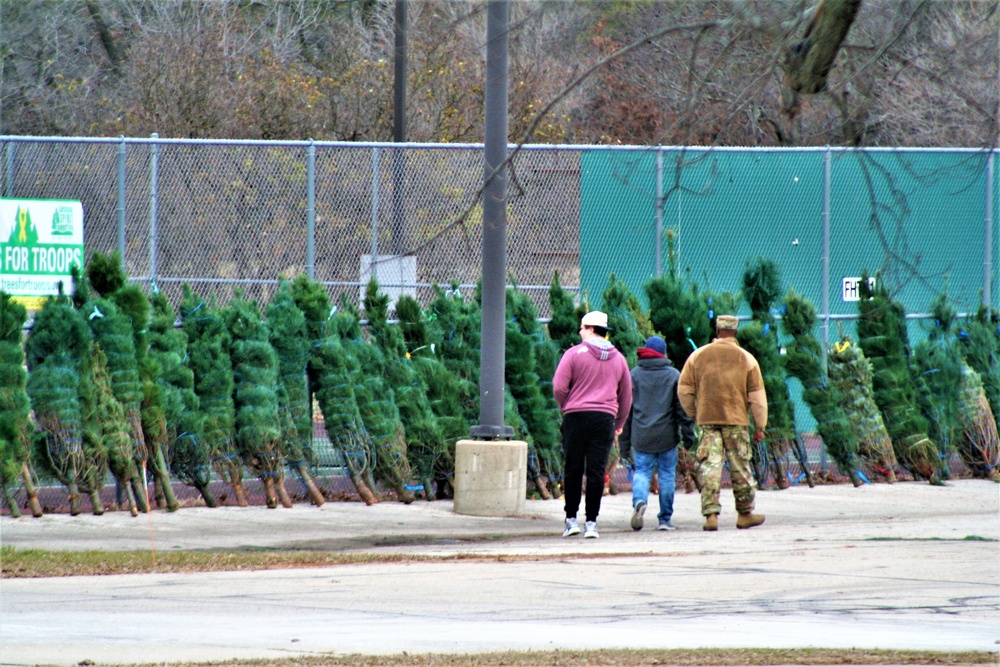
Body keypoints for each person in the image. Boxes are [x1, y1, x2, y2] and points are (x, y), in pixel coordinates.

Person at [678, 315, 767, 531]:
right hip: (736, 420)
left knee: (710, 466)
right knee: (740, 467)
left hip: (707, 420)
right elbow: (757, 396)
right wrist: (760, 426)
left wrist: (695, 412)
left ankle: (711, 516)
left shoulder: (697, 356)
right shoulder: (746, 359)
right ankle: (744, 514)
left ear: (717, 330)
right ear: (735, 332)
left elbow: (684, 390)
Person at [552, 310, 632, 539]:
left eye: (582, 328)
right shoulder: (619, 359)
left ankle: (570, 520)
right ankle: (591, 523)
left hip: (576, 417)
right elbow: (626, 395)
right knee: (596, 471)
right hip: (604, 418)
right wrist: (619, 421)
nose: (579, 331)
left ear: (589, 329)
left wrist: (566, 405)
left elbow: (558, 386)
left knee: (573, 468)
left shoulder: (573, 354)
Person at [619, 335, 695, 531]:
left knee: (642, 472)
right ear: (663, 353)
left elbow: (626, 413)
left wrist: (624, 446)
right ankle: (664, 519)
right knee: (667, 475)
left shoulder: (633, 375)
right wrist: (688, 437)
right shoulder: (673, 375)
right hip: (667, 437)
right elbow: (682, 411)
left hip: (641, 435)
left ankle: (639, 501)